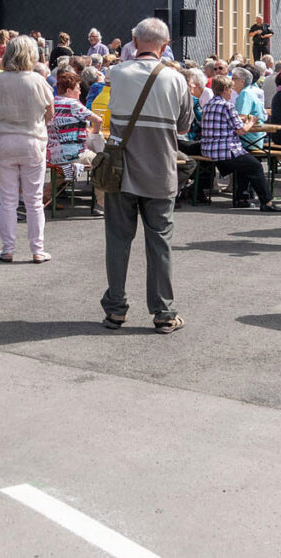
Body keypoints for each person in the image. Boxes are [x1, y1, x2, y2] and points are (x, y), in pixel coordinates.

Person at [98, 17, 192, 331]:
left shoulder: (116, 72)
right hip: (160, 171)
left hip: (120, 170)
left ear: (135, 42)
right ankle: (164, 312)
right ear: (165, 46)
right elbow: (184, 126)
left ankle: (116, 308)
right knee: (160, 243)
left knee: (118, 240)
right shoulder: (176, 78)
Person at [0, 35, 55, 262]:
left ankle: (8, 248)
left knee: (7, 199)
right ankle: (38, 249)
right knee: (34, 199)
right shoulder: (38, 80)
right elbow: (50, 112)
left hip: (4, 140)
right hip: (32, 140)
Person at [194, 74, 278, 211]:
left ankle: (241, 198)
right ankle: (266, 202)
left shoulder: (208, 105)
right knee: (255, 166)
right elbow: (241, 130)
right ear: (225, 89)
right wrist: (251, 121)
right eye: (230, 89)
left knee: (245, 163)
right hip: (225, 150)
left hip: (208, 149)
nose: (231, 92)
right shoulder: (227, 106)